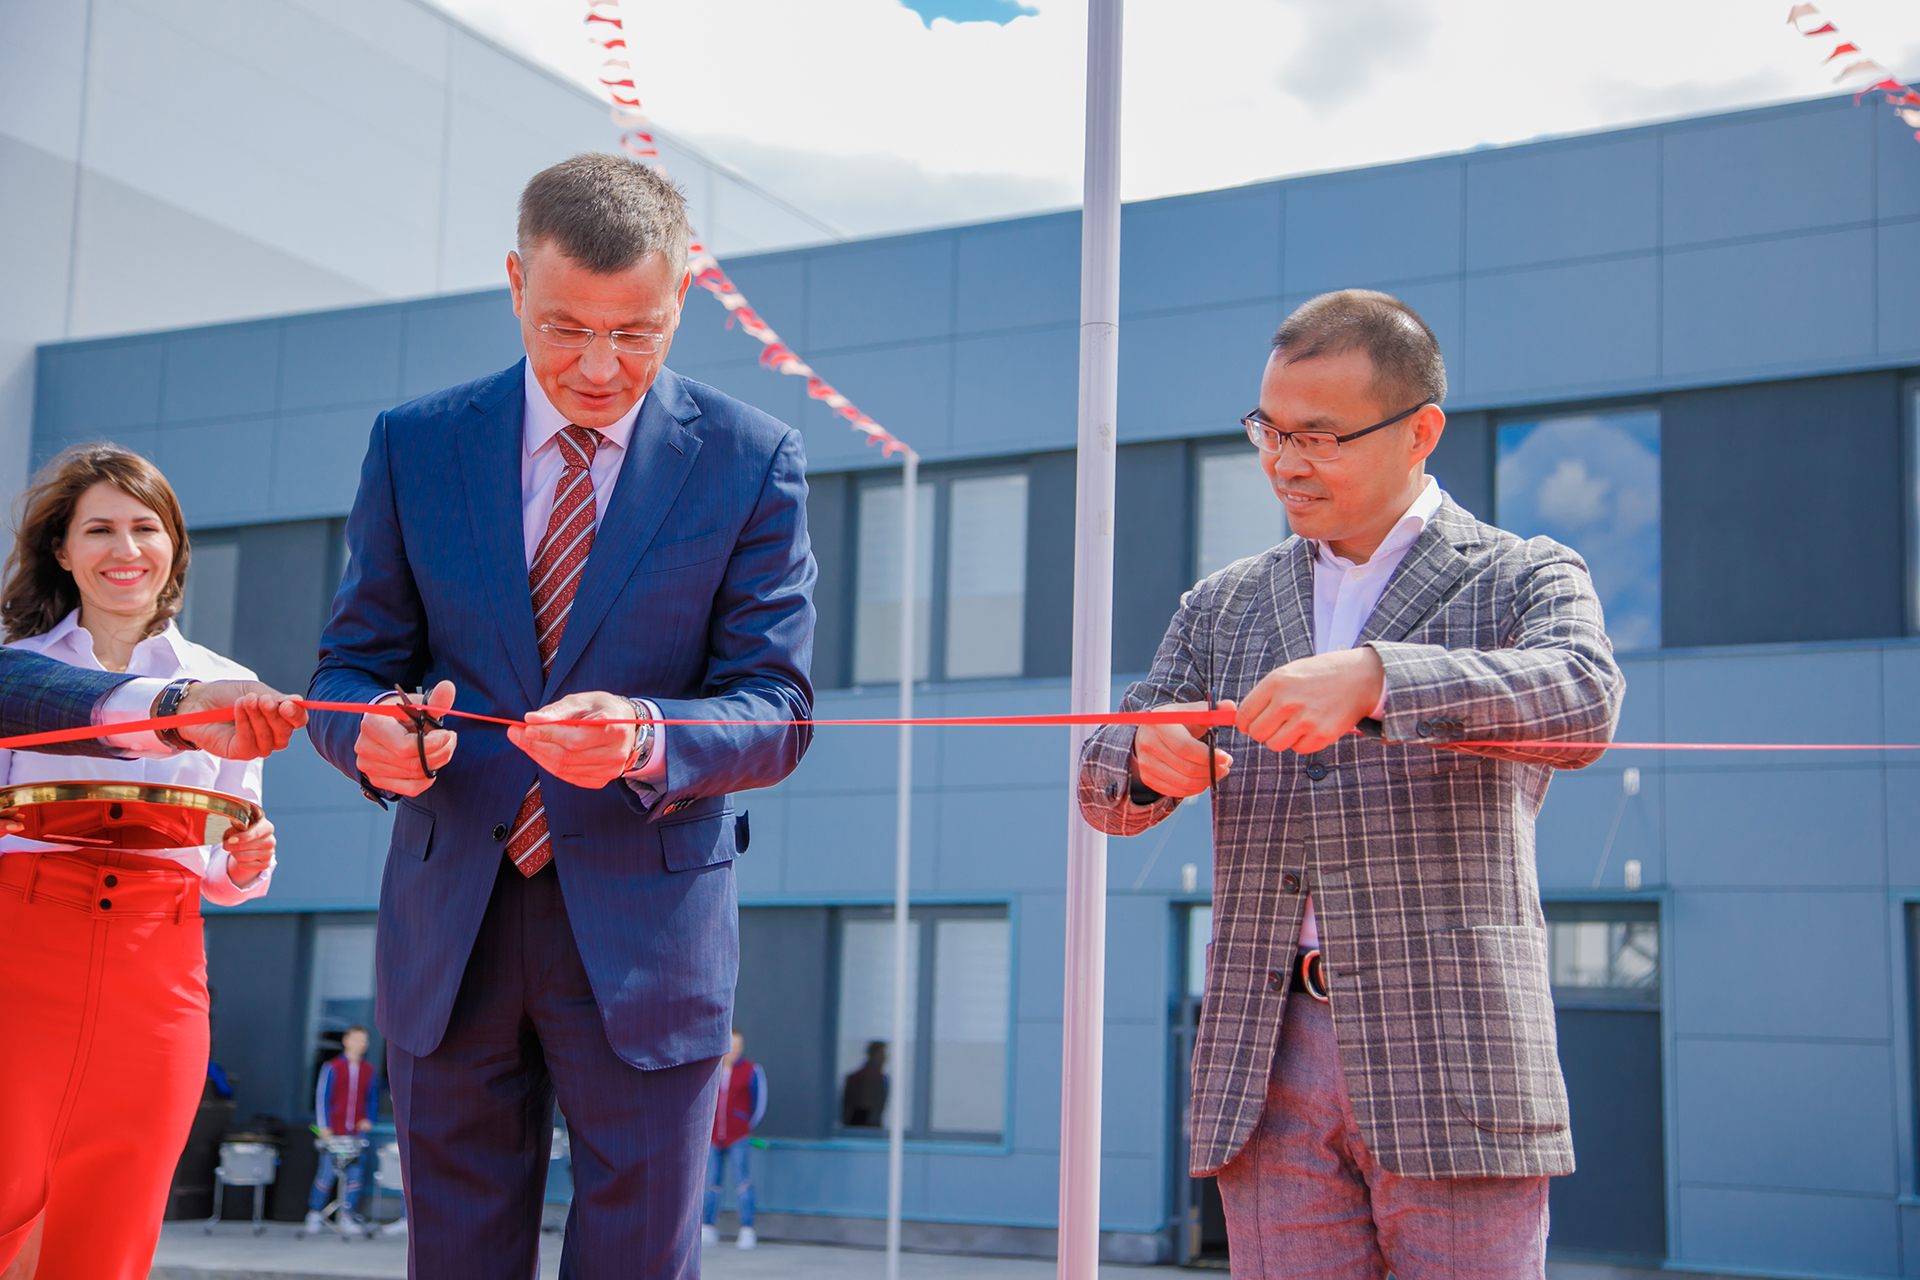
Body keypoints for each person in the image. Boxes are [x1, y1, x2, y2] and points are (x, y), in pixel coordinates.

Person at [309, 152, 815, 1279]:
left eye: (636, 332)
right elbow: (347, 668)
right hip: (453, 928)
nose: (598, 365)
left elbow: (779, 711)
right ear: (514, 283)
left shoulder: (751, 460)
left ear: (683, 295)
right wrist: (371, 733)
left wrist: (647, 734)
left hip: (649, 935)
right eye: (565, 327)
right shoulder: (415, 444)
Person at [1078, 290, 1625, 1279]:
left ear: (1421, 430)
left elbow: (1583, 696)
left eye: (1321, 437)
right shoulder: (1224, 604)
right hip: (1265, 1062)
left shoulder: (1523, 575)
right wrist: (1145, 763)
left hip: (1455, 1056)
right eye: (1269, 430)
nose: (1285, 462)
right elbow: (1104, 780)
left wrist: (1380, 678)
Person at [0, 444, 293, 1280]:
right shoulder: (17, 673)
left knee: (116, 1214)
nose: (125, 549)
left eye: (145, 527)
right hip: (21, 953)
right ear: (63, 550)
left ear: (173, 547)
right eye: (99, 529)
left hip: (158, 968)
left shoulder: (230, 683)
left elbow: (224, 870)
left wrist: (246, 861)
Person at [306, 1025, 382, 1236]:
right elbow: (322, 1097)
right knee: (326, 1173)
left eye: (364, 1040)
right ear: (346, 1041)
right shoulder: (332, 1067)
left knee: (355, 1175)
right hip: (335, 1131)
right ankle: (315, 1213)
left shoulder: (369, 1070)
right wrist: (323, 1126)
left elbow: (373, 1098)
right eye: (358, 1039)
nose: (362, 1044)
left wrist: (369, 1120)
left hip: (356, 1133)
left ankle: (347, 1215)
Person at [701, 1030, 766, 1251]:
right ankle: (708, 1226)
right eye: (732, 1044)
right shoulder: (712, 1067)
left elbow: (759, 1103)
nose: (735, 1049)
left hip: (738, 1136)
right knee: (711, 1182)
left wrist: (745, 1125)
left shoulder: (751, 1070)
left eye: (739, 1045)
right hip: (712, 1136)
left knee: (742, 1182)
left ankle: (747, 1229)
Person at [840, 1041, 889, 1129]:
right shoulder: (878, 1078)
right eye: (883, 1053)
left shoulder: (853, 1077)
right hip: (868, 1126)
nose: (885, 1058)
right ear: (875, 1054)